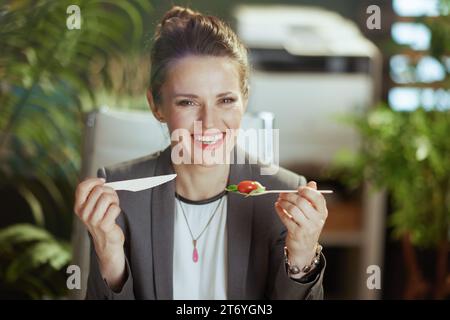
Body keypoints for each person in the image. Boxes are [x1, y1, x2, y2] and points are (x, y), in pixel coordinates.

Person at [74, 5, 328, 300]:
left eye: (225, 100)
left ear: (244, 100)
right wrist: (110, 255)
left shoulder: (283, 197)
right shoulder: (120, 196)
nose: (209, 122)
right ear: (156, 105)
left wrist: (302, 257)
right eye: (188, 103)